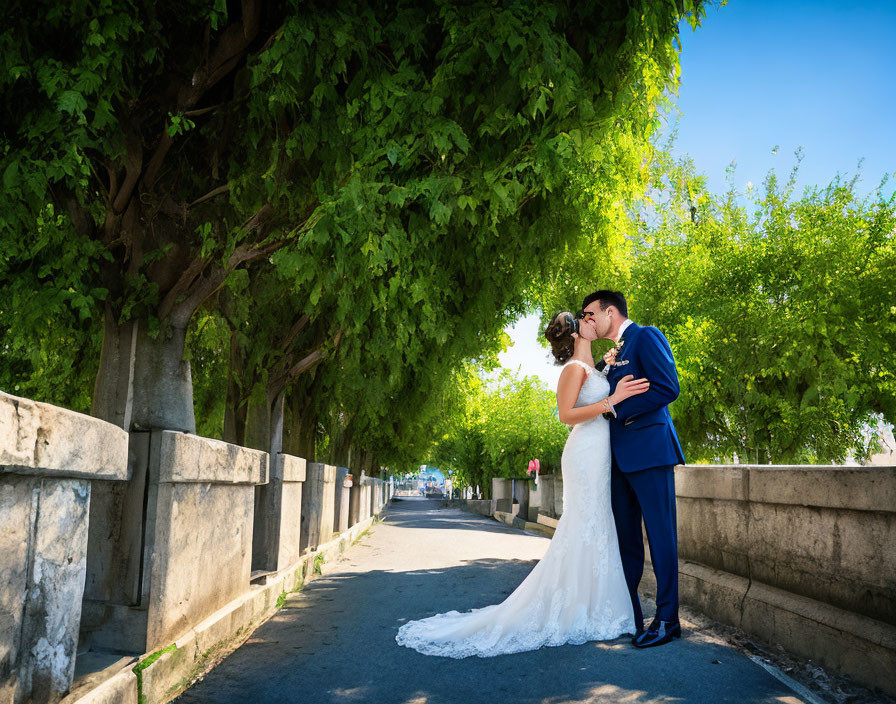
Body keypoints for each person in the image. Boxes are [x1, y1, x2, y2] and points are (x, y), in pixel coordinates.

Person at [395, 310, 649, 657]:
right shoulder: (573, 369)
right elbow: (565, 416)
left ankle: (596, 606)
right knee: (583, 523)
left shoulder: (592, 368)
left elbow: (592, 391)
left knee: (598, 524)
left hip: (600, 452)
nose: (594, 320)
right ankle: (574, 608)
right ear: (577, 333)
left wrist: (606, 369)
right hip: (584, 450)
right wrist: (612, 400)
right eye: (587, 318)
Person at [580, 289, 685, 648]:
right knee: (625, 542)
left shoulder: (646, 336)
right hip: (617, 460)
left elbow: (668, 387)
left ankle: (668, 620)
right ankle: (631, 615)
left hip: (651, 453)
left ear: (611, 311)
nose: (588, 320)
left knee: (661, 538)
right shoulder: (609, 358)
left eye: (591, 314)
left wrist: (618, 409)